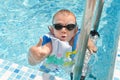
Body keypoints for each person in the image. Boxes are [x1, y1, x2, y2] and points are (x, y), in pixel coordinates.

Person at [28, 9, 97, 79]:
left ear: (75, 30)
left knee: (84, 72)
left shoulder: (77, 36)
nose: (63, 30)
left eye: (70, 27)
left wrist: (89, 43)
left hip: (71, 63)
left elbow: (84, 36)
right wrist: (37, 56)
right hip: (53, 62)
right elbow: (45, 51)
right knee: (40, 75)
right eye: (58, 26)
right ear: (52, 29)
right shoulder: (51, 40)